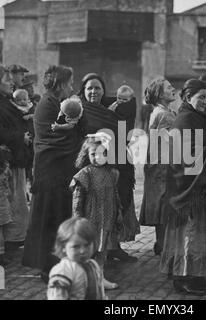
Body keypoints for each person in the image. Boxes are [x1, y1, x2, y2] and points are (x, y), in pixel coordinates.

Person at [160, 79, 206, 295]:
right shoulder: (186, 119)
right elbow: (189, 155)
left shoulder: (197, 117)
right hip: (189, 190)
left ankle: (197, 274)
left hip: (199, 185)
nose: (205, 102)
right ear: (188, 97)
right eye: (201, 98)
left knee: (200, 234)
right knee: (190, 234)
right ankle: (184, 277)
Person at [23, 65, 83, 282]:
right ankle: (48, 267)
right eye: (69, 82)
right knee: (50, 219)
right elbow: (52, 138)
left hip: (58, 173)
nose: (72, 86)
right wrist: (78, 141)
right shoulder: (48, 104)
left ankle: (58, 264)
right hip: (51, 173)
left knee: (58, 218)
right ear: (59, 84)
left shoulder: (56, 102)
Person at [78, 73, 139, 262]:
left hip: (116, 164)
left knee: (116, 205)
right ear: (83, 91)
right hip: (94, 167)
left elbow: (130, 101)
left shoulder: (107, 109)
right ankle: (96, 250)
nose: (93, 92)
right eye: (89, 88)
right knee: (97, 209)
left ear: (104, 91)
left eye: (97, 88)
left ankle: (114, 247)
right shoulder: (80, 110)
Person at [0, 66, 32, 250]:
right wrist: (20, 137)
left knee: (16, 201)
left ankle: (14, 239)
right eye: (6, 80)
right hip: (5, 162)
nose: (11, 82)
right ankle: (6, 242)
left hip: (15, 159)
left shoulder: (5, 102)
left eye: (11, 79)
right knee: (8, 202)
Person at [71, 134, 121, 290]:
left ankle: (99, 278)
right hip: (90, 219)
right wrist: (78, 220)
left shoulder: (112, 173)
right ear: (87, 155)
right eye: (93, 154)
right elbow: (77, 201)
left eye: (101, 153)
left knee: (102, 251)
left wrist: (118, 214)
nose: (97, 157)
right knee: (86, 251)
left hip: (106, 219)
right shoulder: (84, 174)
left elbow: (115, 195)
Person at [139, 78, 177, 255]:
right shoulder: (163, 114)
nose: (173, 89)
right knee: (163, 202)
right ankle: (163, 244)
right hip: (162, 165)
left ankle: (161, 243)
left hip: (160, 164)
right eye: (169, 88)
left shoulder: (164, 111)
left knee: (161, 203)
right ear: (160, 94)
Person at [47, 217, 106, 300]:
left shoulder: (93, 265)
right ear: (63, 247)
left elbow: (99, 292)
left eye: (87, 245)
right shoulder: (63, 270)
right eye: (76, 247)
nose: (82, 251)